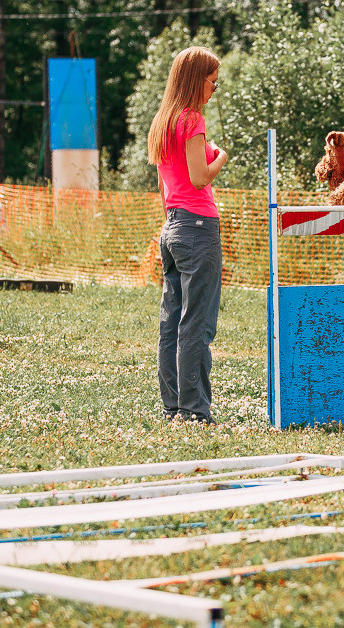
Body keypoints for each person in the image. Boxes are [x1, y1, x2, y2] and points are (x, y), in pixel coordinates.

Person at [147, 46, 227, 424]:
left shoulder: (163, 121)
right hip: (198, 227)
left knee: (172, 321)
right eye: (213, 82)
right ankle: (195, 410)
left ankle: (174, 406)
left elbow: (168, 186)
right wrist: (220, 157)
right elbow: (199, 177)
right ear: (197, 80)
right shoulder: (192, 119)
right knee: (197, 322)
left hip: (172, 226)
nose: (214, 89)